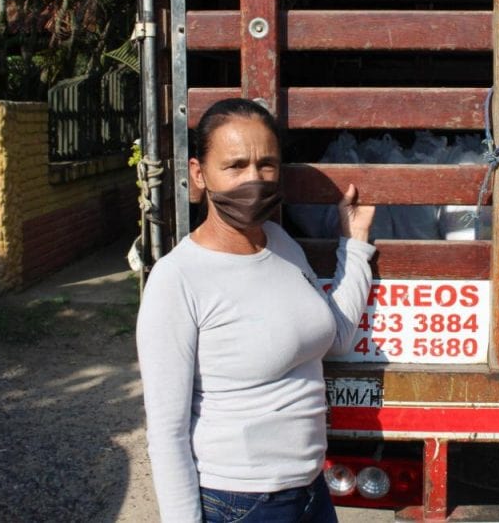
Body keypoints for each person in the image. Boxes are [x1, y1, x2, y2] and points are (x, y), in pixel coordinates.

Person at [137, 98, 375, 522]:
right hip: (240, 503)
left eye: (267, 165)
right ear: (199, 174)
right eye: (235, 166)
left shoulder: (281, 244)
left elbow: (335, 337)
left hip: (310, 494)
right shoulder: (177, 279)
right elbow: (167, 433)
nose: (254, 179)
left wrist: (354, 242)